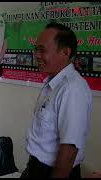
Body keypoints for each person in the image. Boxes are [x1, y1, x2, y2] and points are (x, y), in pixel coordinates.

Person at [20, 22, 92, 178]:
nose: (37, 55)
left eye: (42, 50)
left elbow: (69, 150)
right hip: (35, 168)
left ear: (65, 52)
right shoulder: (53, 84)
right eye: (36, 49)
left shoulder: (72, 89)